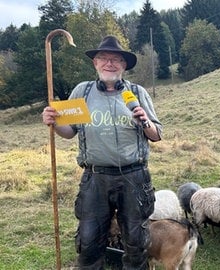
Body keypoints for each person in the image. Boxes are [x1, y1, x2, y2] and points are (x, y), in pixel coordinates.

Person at [42, 35, 162, 269]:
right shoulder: (82, 92)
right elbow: (70, 131)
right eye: (104, 58)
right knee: (88, 243)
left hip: (134, 177)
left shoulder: (137, 92)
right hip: (95, 178)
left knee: (136, 243)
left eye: (116, 59)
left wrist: (146, 122)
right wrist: (54, 123)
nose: (110, 63)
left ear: (124, 65)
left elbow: (156, 135)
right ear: (95, 63)